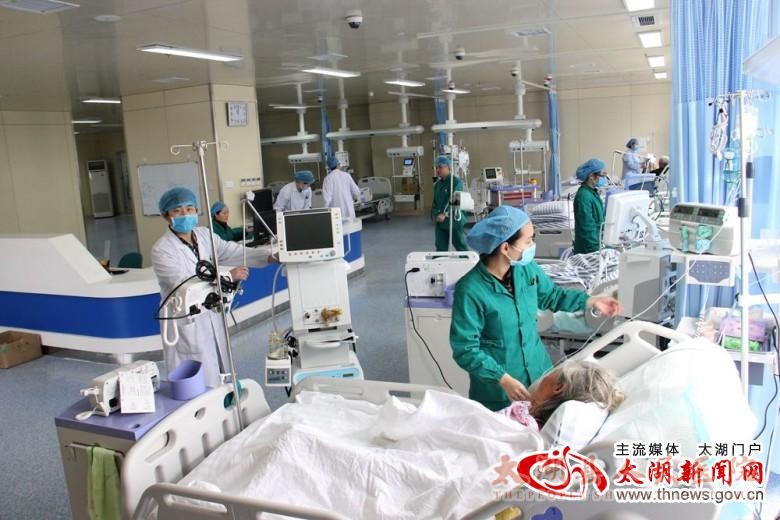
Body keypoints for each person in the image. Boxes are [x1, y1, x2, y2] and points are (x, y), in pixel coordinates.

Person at [449, 205, 623, 411]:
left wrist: (590, 301)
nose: (533, 245)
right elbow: (465, 349)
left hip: (539, 373)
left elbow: (553, 295)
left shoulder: (527, 270)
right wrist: (502, 378)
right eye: (528, 240)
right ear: (505, 248)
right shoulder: (470, 290)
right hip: (499, 391)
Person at [151, 187, 273, 387]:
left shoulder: (204, 235)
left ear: (196, 210)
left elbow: (231, 251)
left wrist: (268, 256)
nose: (185, 214)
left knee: (219, 365)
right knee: (196, 377)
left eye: (189, 209)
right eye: (177, 211)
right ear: (167, 216)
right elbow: (183, 284)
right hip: (186, 318)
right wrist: (228, 276)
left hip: (211, 312)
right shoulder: (162, 249)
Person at [499, 360, 625, 430]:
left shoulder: (524, 427)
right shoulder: (527, 410)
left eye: (550, 374)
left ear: (558, 388)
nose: (544, 377)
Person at [431, 155, 468, 251]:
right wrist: (435, 215)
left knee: (461, 247)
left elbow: (455, 199)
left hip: (453, 220)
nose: (437, 170)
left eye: (440, 167)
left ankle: (468, 261)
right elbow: (435, 202)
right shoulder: (438, 184)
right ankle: (439, 261)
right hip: (440, 221)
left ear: (449, 167)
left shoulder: (455, 182)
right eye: (436, 167)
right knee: (440, 248)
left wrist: (445, 213)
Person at [573, 158, 607, 254]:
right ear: (591, 176)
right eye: (601, 175)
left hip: (597, 242)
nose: (603, 179)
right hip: (588, 248)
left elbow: (600, 220)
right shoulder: (584, 196)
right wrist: (597, 248)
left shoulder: (592, 193)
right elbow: (587, 228)